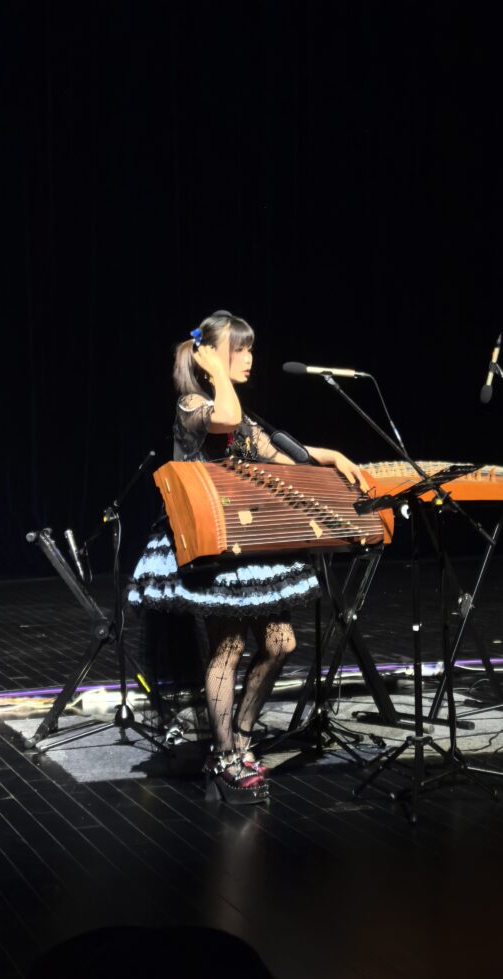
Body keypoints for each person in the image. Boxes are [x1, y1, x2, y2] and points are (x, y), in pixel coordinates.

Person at [128, 311, 366, 803]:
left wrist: (335, 456)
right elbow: (228, 419)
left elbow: (289, 456)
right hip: (210, 547)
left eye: (249, 348)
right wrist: (215, 372)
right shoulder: (193, 403)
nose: (250, 358)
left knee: (281, 644)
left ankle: (239, 736)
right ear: (211, 356)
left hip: (246, 543)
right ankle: (225, 757)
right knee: (229, 646)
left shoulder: (240, 416)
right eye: (240, 349)